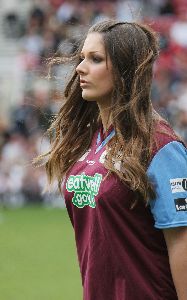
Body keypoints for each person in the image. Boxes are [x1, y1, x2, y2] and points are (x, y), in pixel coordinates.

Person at [38, 19, 187, 299]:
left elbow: (182, 243)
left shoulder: (161, 148)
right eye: (82, 58)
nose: (80, 68)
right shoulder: (88, 143)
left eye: (95, 59)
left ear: (124, 69)